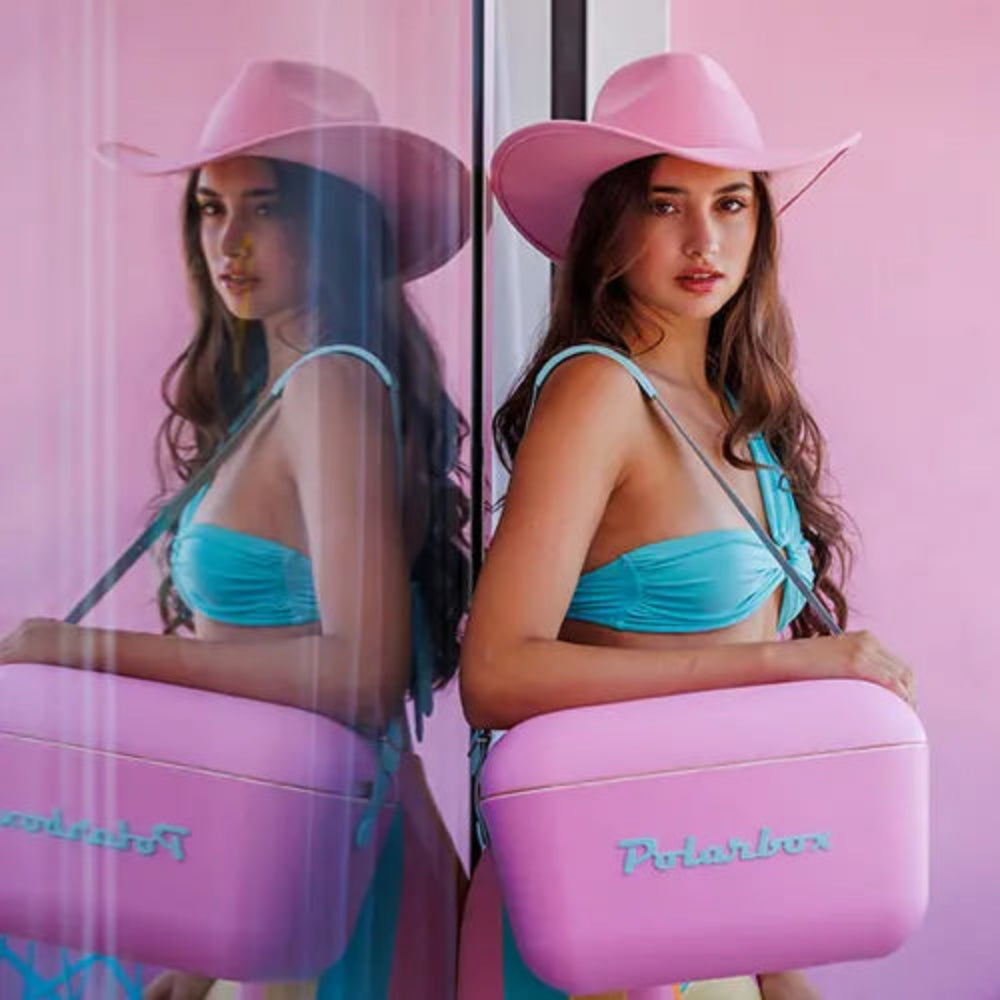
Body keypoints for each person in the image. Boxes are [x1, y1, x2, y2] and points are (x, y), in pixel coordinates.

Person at [0, 59, 470, 1000]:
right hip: (275, 857)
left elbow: (362, 673)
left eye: (267, 208)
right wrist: (201, 953)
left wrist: (83, 651)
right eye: (212, 209)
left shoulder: (332, 385)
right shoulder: (286, 388)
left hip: (331, 869)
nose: (231, 242)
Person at [458, 53, 916, 1000]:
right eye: (665, 204)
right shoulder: (598, 391)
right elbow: (495, 676)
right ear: (610, 226)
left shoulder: (733, 406)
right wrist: (790, 663)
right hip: (607, 899)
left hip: (714, 891)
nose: (705, 238)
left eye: (731, 203)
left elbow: (732, 743)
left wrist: (779, 968)